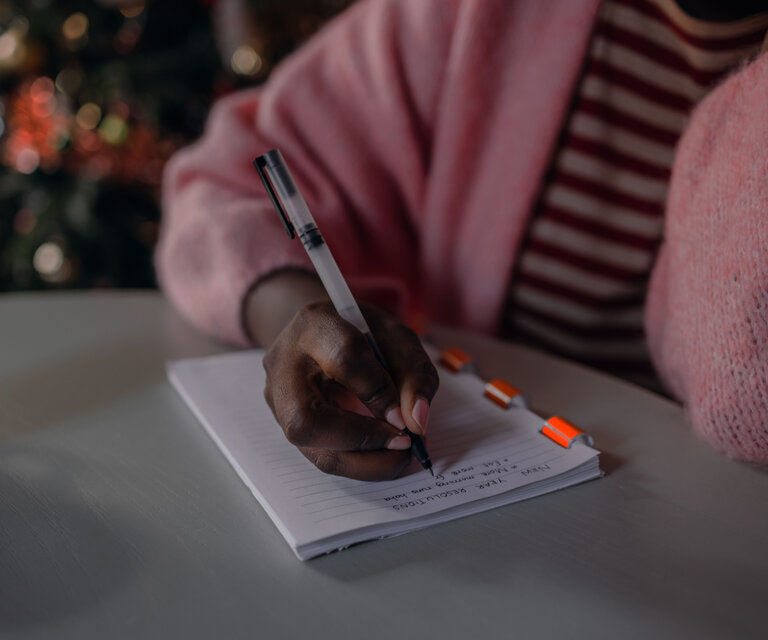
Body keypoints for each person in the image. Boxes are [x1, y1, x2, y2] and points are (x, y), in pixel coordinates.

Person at [157, 0, 768, 479]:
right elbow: (217, 185)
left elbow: (740, 398)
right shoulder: (474, 15)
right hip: (496, 471)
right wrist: (299, 317)